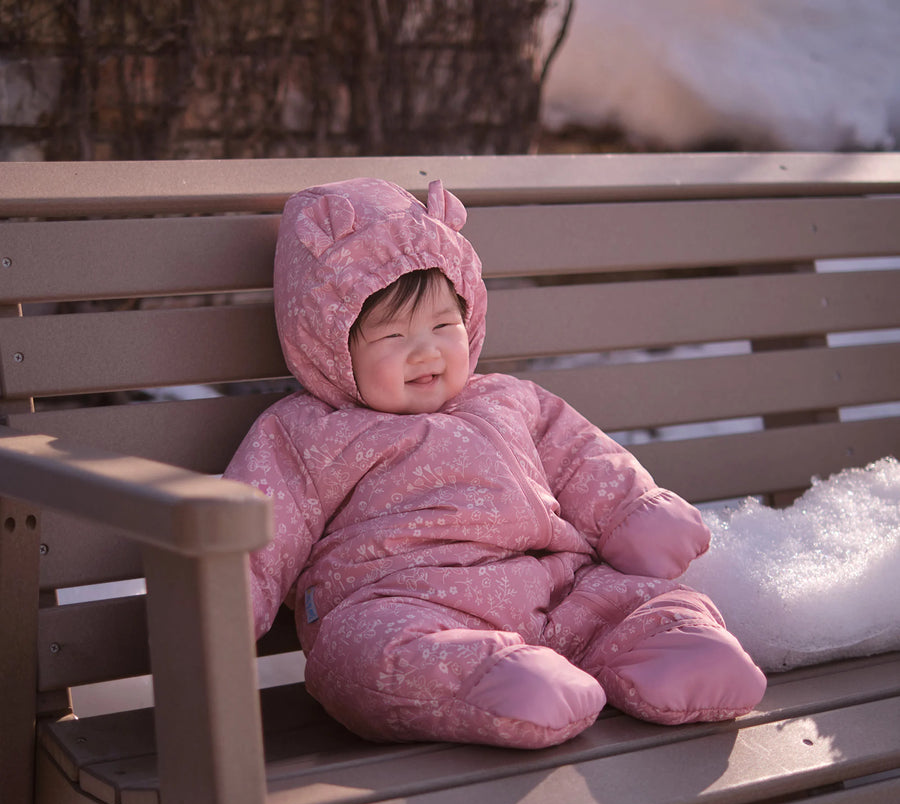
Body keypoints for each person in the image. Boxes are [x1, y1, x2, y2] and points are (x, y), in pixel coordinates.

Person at [225, 178, 766, 749]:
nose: (426, 350)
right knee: (359, 651)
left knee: (634, 597)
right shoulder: (308, 431)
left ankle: (675, 652)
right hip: (406, 600)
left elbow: (583, 456)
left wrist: (634, 510)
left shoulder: (507, 398)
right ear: (331, 344)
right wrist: (222, 608)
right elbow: (259, 524)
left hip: (555, 587)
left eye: (443, 326)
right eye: (392, 334)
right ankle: (488, 682)